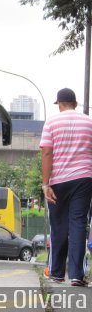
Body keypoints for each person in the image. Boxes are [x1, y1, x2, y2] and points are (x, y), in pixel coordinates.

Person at [40, 88, 92, 287]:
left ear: (59, 104)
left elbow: (46, 152)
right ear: (75, 104)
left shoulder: (51, 122)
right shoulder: (89, 122)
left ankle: (57, 273)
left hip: (59, 180)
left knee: (59, 224)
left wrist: (46, 184)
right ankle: (77, 275)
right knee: (78, 223)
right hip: (84, 179)